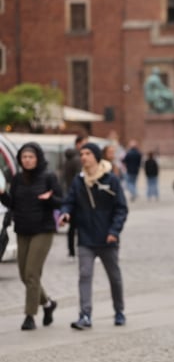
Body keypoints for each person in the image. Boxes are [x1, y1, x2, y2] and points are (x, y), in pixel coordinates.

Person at [58, 142, 128, 329]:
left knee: (114, 277)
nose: (84, 157)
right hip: (86, 238)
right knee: (85, 275)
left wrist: (114, 231)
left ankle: (119, 310)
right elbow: (69, 202)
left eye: (88, 153)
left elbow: (121, 208)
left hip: (107, 238)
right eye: (82, 153)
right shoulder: (78, 180)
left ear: (96, 156)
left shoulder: (110, 180)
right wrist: (65, 213)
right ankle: (85, 315)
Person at [0, 142, 63, 330]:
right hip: (22, 229)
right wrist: (2, 194)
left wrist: (50, 199)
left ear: (38, 158)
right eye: (24, 157)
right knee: (23, 275)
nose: (27, 160)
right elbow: (13, 204)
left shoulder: (49, 177)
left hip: (43, 230)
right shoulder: (18, 179)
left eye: (31, 157)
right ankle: (48, 303)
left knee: (32, 273)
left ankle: (30, 316)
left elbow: (61, 201)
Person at [61, 134, 87, 258]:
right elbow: (80, 177)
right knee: (80, 224)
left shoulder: (68, 159)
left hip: (69, 192)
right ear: (78, 144)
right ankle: (82, 249)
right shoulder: (78, 159)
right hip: (77, 195)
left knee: (72, 226)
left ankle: (71, 251)